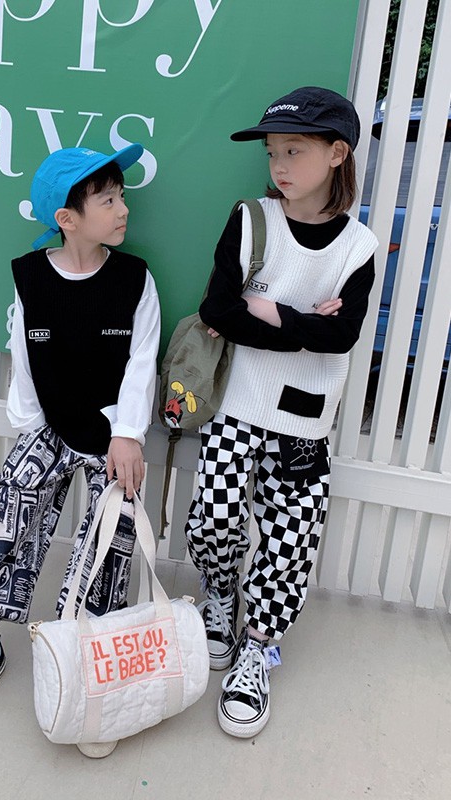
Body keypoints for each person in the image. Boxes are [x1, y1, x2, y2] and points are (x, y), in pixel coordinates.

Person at [0, 145, 161, 759]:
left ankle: (85, 662)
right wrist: (31, 433)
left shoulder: (135, 279)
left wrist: (128, 433)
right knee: (9, 504)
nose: (123, 209)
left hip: (111, 434)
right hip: (50, 426)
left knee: (110, 534)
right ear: (67, 218)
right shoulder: (30, 276)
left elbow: (142, 362)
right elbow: (23, 358)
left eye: (121, 196)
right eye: (107, 200)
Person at [184, 86, 378, 739]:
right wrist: (300, 327)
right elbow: (217, 310)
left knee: (291, 539)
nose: (280, 165)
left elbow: (342, 335)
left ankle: (258, 647)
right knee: (213, 519)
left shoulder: (358, 247)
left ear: (338, 154)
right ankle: (219, 595)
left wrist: (268, 310)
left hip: (305, 422)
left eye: (294, 150)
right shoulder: (251, 220)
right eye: (273, 152)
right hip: (237, 405)